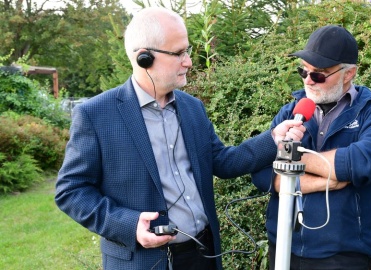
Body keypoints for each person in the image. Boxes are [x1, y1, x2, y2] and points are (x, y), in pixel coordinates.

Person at [55, 7, 305, 270]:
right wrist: (129, 225)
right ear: (144, 57)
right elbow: (71, 191)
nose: (188, 61)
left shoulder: (192, 107)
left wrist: (273, 138)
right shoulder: (95, 115)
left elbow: (221, 161)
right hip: (144, 261)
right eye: (179, 53)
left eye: (188, 51)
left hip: (202, 254)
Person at [252, 25, 371, 269]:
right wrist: (328, 179)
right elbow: (260, 173)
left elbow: (363, 162)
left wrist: (290, 159)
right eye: (304, 71)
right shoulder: (291, 111)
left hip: (342, 253)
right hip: (282, 245)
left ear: (349, 73)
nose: (308, 80)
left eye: (319, 74)